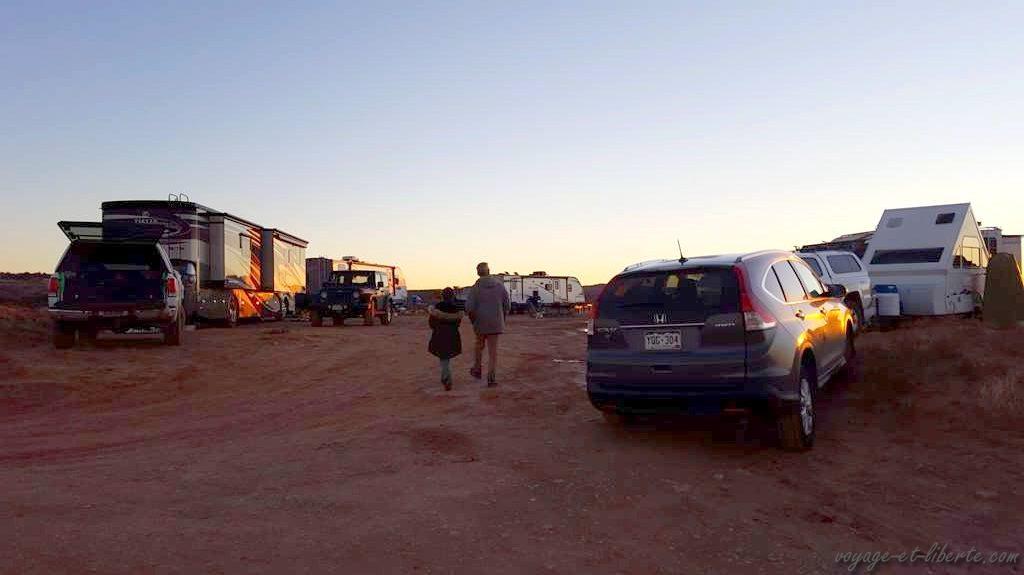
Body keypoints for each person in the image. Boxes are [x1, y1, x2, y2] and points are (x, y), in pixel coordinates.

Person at [465, 262, 510, 386]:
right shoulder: (500, 286)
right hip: (496, 324)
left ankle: (477, 369)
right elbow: (507, 305)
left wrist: (473, 321)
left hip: (480, 323)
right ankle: (491, 378)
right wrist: (502, 318)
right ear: (489, 270)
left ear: (478, 272)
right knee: (493, 353)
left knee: (479, 347)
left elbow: (469, 308)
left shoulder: (475, 288)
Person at [428, 288, 463, 390]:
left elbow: (431, 323)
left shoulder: (437, 308)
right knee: (446, 357)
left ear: (442, 296)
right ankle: (446, 377)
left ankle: (446, 377)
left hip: (439, 334)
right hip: (453, 335)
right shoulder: (456, 309)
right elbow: (458, 324)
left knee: (443, 358)